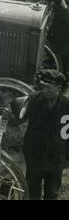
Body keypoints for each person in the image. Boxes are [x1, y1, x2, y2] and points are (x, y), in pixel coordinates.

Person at [12, 69, 69, 200]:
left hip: (55, 158)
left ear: (58, 88)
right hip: (35, 156)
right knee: (32, 191)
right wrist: (12, 114)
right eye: (43, 86)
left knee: (52, 192)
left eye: (48, 88)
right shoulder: (33, 99)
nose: (44, 90)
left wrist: (66, 157)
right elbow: (20, 117)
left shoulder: (66, 106)